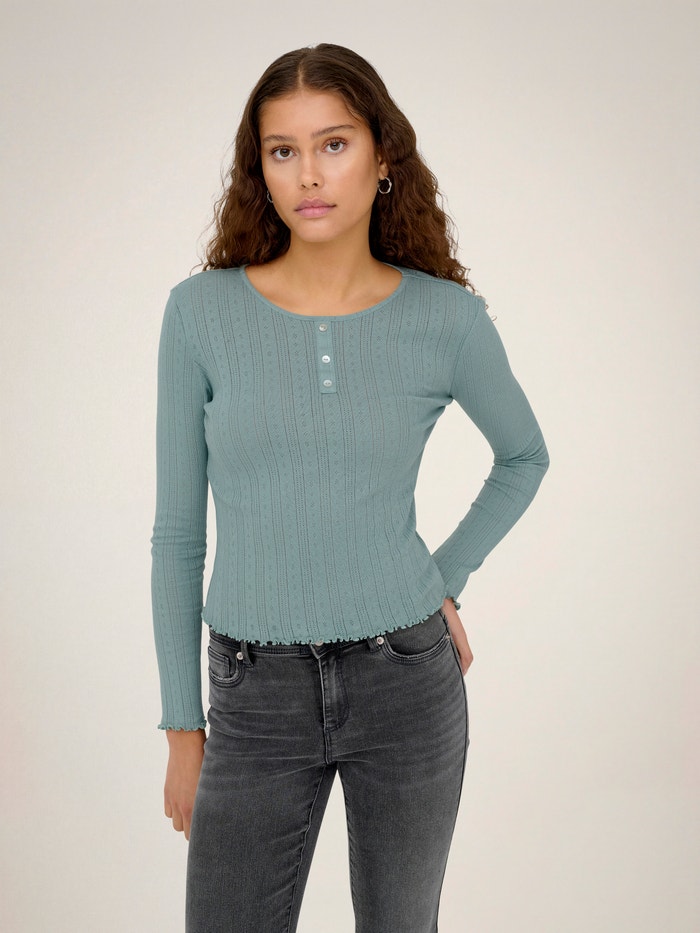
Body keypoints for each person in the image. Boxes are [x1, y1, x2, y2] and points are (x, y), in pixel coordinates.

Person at [151, 43, 549, 933]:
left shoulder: (445, 318)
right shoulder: (200, 313)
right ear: (259, 171)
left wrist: (442, 578)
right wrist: (183, 727)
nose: (309, 174)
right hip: (253, 693)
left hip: (406, 678)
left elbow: (524, 455)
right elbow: (178, 534)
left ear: (382, 154)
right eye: (282, 150)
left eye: (333, 144)